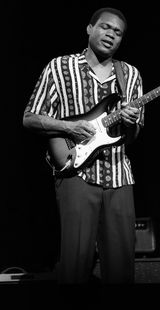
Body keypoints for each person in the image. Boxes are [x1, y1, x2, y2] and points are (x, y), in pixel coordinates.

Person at [23, 7, 144, 285]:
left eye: (118, 32)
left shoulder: (131, 75)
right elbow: (29, 118)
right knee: (75, 266)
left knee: (122, 269)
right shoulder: (59, 67)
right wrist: (68, 127)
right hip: (76, 173)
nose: (111, 35)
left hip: (118, 176)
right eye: (105, 27)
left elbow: (133, 138)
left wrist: (131, 122)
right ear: (90, 29)